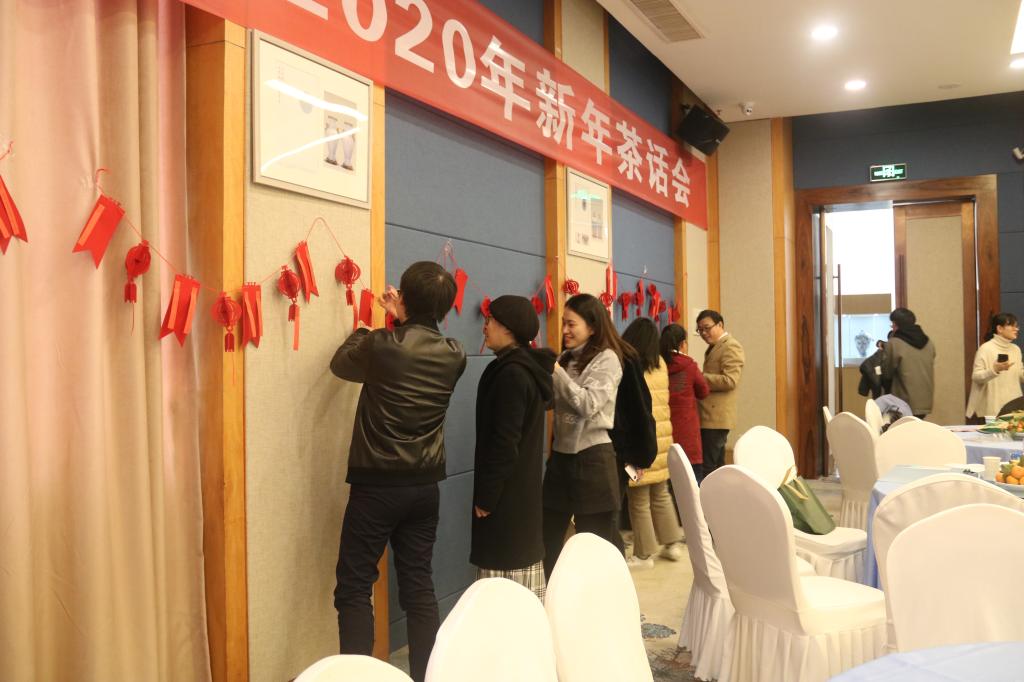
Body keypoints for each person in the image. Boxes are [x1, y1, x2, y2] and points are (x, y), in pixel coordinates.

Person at [329, 261, 466, 682]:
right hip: (424, 488)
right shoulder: (455, 354)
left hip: (377, 486)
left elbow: (342, 364)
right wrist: (401, 318)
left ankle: (357, 678)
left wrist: (368, 327)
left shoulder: (380, 344)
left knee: (354, 586)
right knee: (418, 587)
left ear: (403, 298)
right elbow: (411, 349)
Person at [471, 295, 556, 600]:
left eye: (490, 321)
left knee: (503, 593)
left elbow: (505, 443)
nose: (484, 327)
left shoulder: (512, 374)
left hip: (507, 500)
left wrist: (487, 497)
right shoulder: (518, 368)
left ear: (508, 328)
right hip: (519, 497)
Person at [542, 293, 628, 578]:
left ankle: (600, 599)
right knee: (548, 538)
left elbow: (588, 405)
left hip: (593, 460)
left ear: (592, 327)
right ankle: (553, 598)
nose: (565, 330)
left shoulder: (608, 359)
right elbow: (552, 402)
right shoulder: (565, 358)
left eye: (571, 324)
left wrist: (555, 372)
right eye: (563, 323)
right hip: (560, 459)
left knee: (595, 544)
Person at [620, 318, 685, 570]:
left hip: (638, 445)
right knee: (661, 493)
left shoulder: (630, 366)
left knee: (638, 499)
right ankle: (672, 543)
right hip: (661, 442)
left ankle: (644, 554)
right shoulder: (660, 364)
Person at [695, 309, 745, 480]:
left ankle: (710, 496)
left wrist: (700, 377)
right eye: (700, 330)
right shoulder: (715, 347)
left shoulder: (731, 346)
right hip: (709, 415)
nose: (704, 333)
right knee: (716, 465)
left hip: (717, 417)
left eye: (707, 328)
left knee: (709, 466)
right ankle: (721, 495)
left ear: (720, 325)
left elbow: (730, 380)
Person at [660, 324, 710, 474]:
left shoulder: (657, 364)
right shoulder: (689, 365)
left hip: (663, 427)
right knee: (691, 475)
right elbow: (704, 391)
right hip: (686, 427)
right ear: (682, 344)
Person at [966, 313, 1024, 420]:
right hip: (991, 410)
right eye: (1012, 326)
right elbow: (976, 377)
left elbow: (1020, 375)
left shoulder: (1016, 349)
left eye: (1016, 326)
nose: (1016, 329)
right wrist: (994, 370)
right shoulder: (986, 349)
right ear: (1000, 329)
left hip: (1014, 408)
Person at [882, 307, 936, 419]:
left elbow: (887, 373)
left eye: (892, 324)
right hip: (925, 401)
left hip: (903, 402)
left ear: (896, 325)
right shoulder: (929, 342)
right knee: (917, 428)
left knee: (901, 429)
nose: (892, 327)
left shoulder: (894, 343)